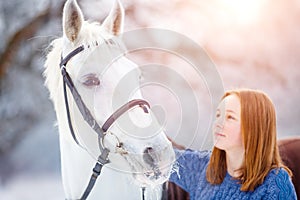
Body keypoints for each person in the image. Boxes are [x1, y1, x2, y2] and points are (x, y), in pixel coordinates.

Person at [169, 89, 297, 199]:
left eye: (230, 117)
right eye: (218, 115)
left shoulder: (274, 183)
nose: (217, 123)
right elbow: (161, 156)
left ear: (254, 127)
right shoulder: (203, 167)